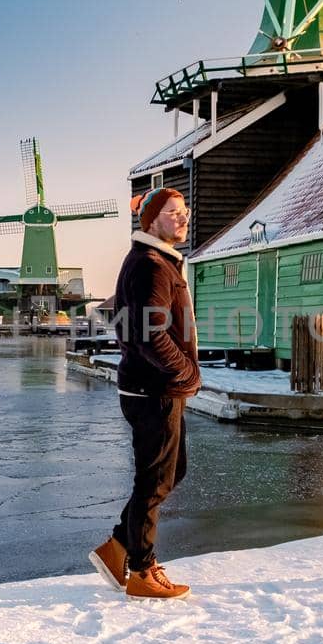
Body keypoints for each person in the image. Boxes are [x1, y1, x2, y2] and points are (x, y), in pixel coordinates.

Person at [89, 187, 201, 599]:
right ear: (150, 220)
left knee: (171, 473)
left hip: (152, 386)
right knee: (155, 479)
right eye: (173, 212)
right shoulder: (152, 265)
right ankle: (140, 569)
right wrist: (185, 373)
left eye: (185, 211)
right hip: (154, 389)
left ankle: (119, 546)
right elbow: (147, 334)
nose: (183, 217)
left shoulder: (156, 262)